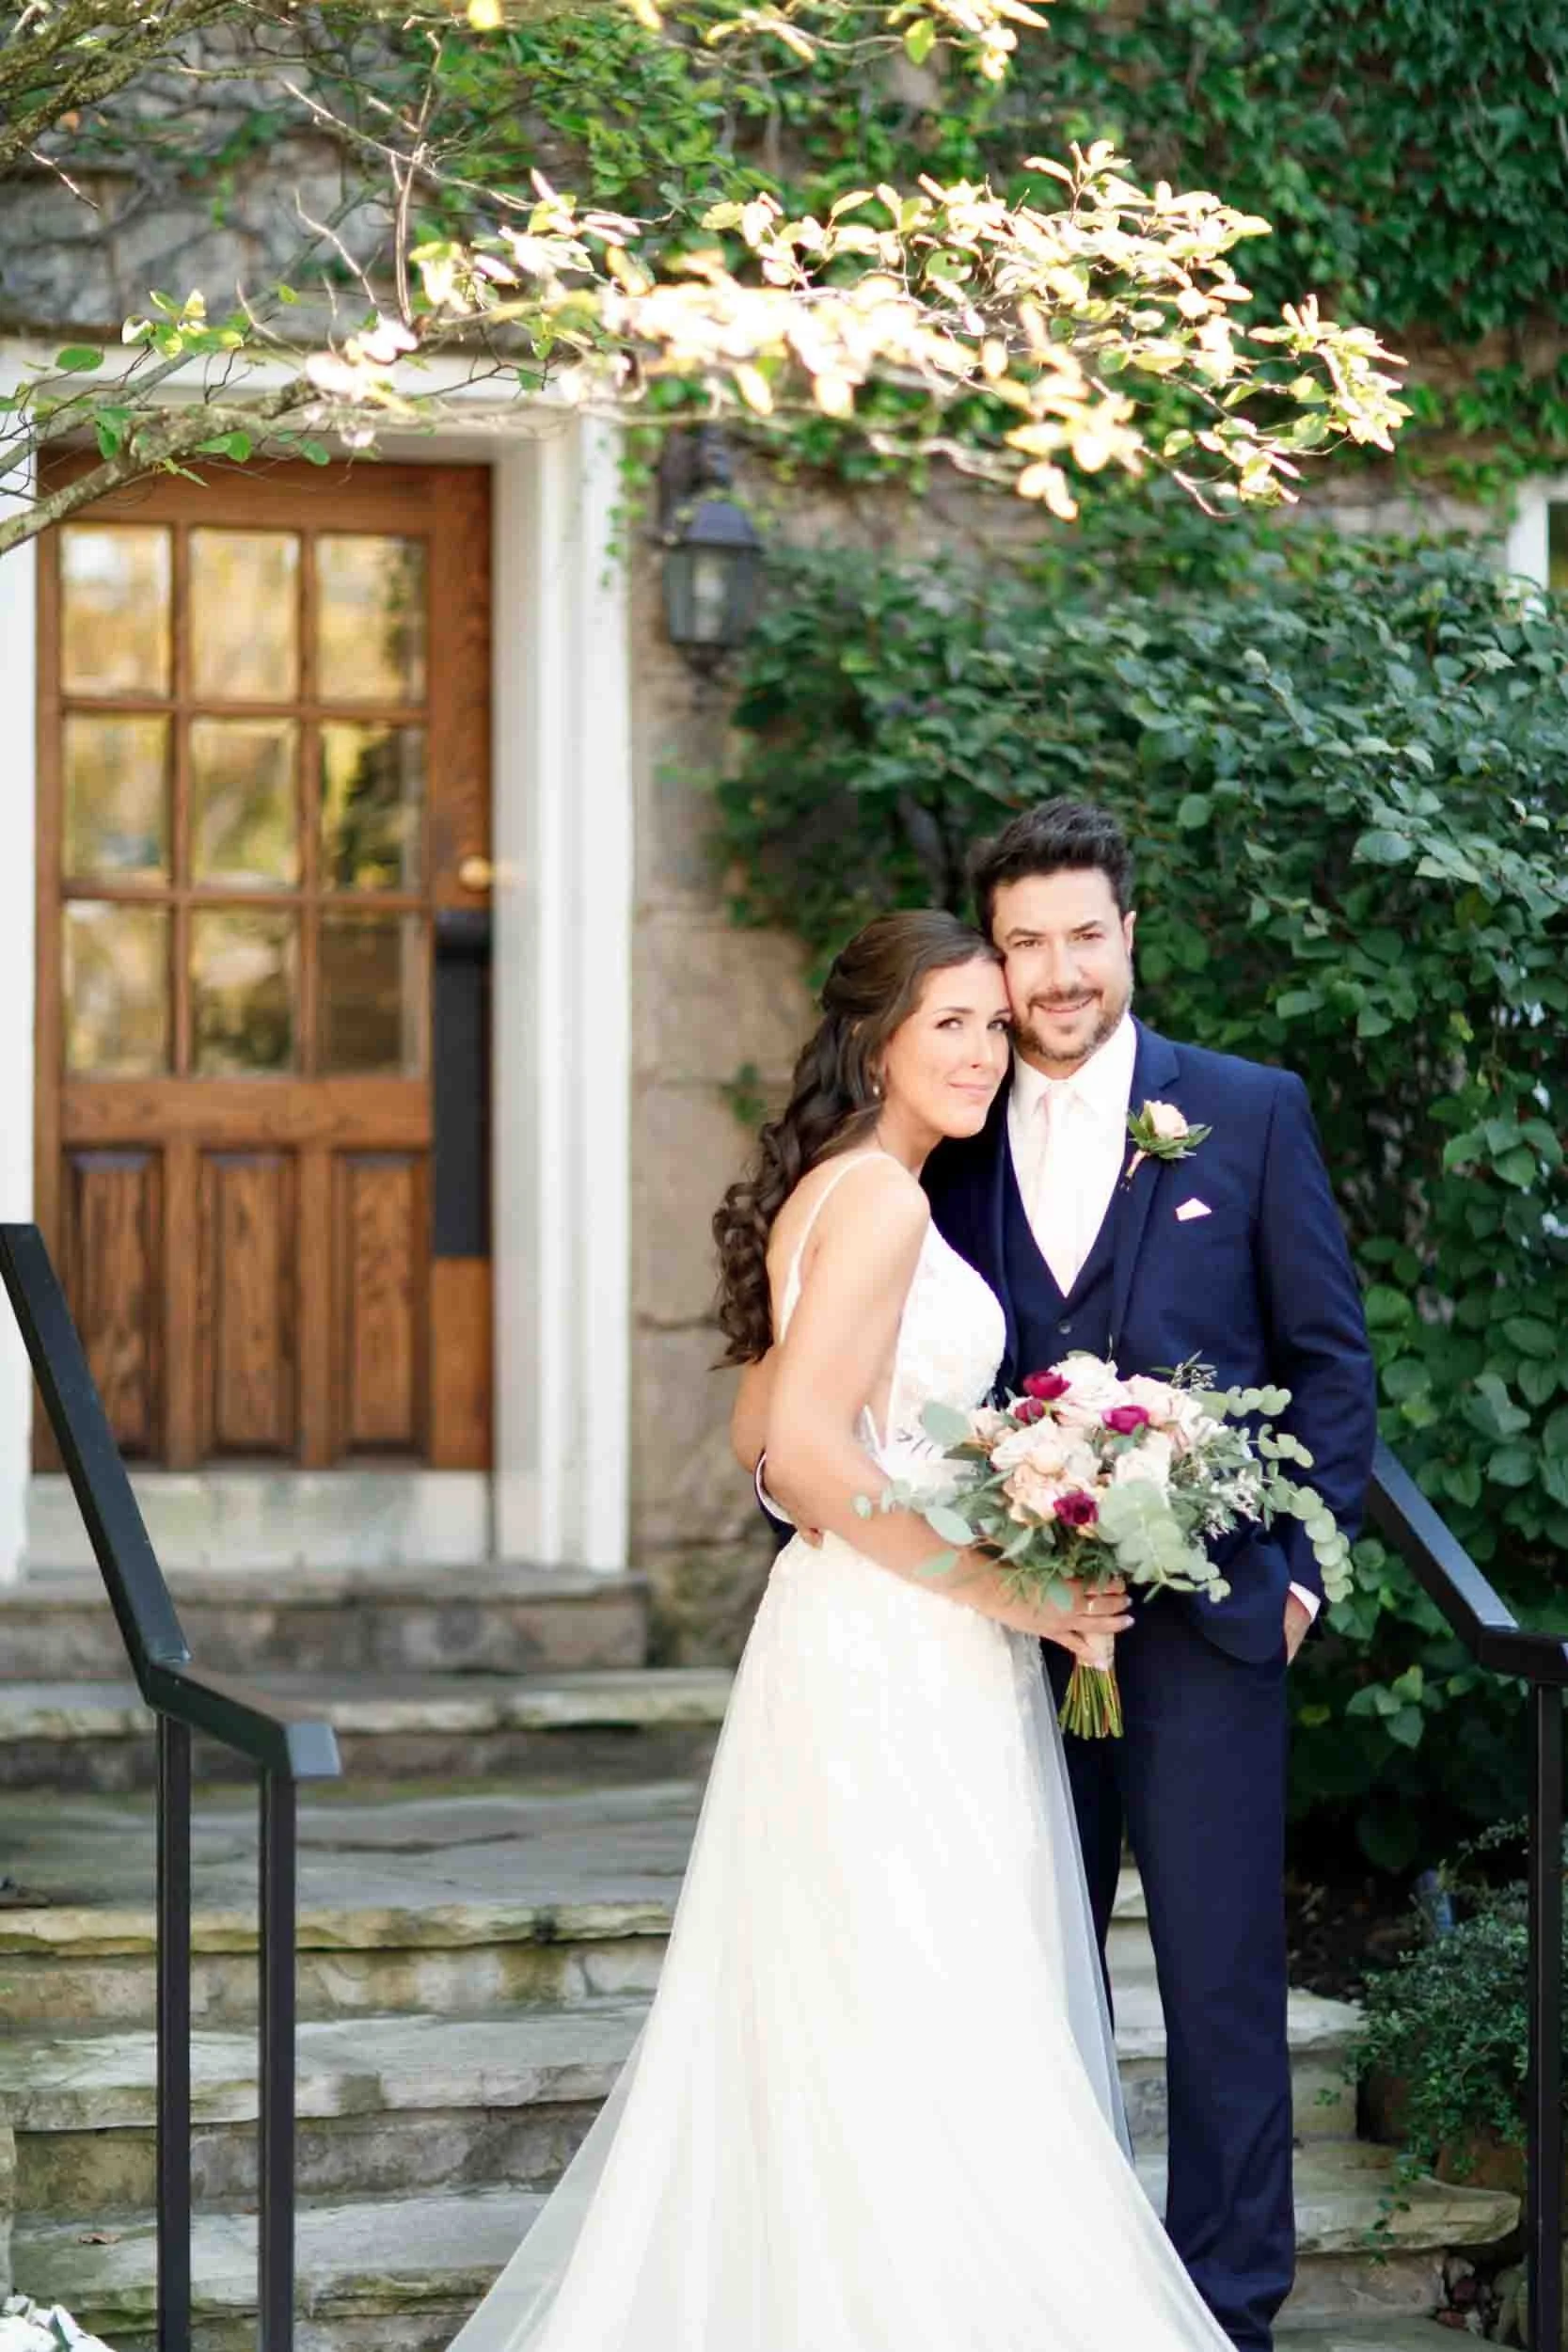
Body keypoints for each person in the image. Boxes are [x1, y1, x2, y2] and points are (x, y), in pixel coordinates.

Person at [449, 906, 1238, 2352]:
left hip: (849, 1636)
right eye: (949, 1023)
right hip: (903, 1653)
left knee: (865, 2009)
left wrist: (985, 1492)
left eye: (994, 1026)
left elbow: (763, 1431)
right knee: (925, 2009)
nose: (983, 1052)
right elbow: (805, 1459)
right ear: (874, 1043)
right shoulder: (879, 1203)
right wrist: (1010, 1583)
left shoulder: (834, 1189)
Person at [833, 799, 1375, 2350]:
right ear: (989, 965)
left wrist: (1296, 1585)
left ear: (1128, 933)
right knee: (1013, 1975)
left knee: (1218, 1994)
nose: (1056, 972)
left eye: (1082, 935)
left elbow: (1329, 1365)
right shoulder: (943, 1130)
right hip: (997, 1638)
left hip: (1209, 1633)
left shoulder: (1247, 1110)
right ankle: (1041, 2298)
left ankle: (1229, 2312)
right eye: (1023, 945)